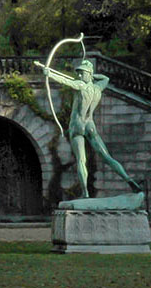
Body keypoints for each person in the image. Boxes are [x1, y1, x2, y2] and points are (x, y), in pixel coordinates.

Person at [35, 58, 141, 196]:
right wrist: (92, 76)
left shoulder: (80, 85)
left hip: (77, 125)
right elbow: (105, 78)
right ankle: (128, 179)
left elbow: (64, 81)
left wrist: (49, 74)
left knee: (81, 160)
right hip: (90, 125)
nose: (79, 76)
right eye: (79, 73)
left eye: (82, 73)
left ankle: (85, 193)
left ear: (88, 74)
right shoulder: (98, 88)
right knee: (106, 156)